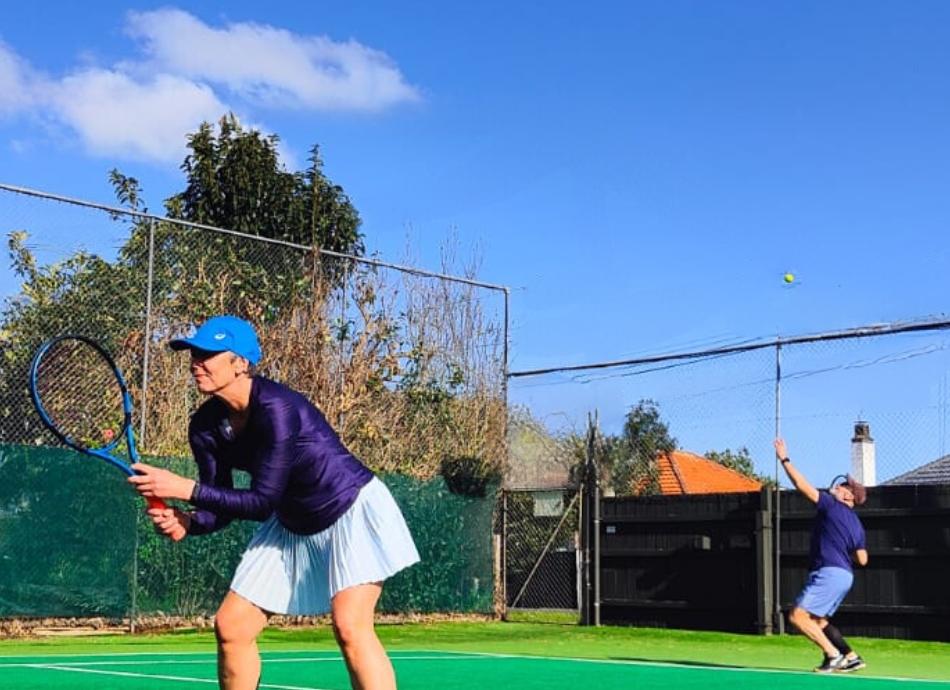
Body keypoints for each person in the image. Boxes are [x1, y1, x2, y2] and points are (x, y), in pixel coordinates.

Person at [128, 315, 420, 690]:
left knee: (350, 626)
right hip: (292, 521)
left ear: (241, 364)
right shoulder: (203, 426)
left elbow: (261, 502)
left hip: (349, 507)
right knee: (232, 627)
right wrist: (191, 522)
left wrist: (185, 489)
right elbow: (223, 503)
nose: (197, 363)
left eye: (209, 354)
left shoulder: (278, 409)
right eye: (195, 354)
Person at [774, 437, 868, 674]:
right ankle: (851, 656)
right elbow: (863, 559)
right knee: (818, 620)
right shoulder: (856, 524)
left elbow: (801, 484)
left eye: (844, 486)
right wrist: (840, 543)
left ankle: (833, 655)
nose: (838, 486)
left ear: (849, 497)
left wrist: (784, 458)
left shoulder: (831, 505)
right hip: (844, 575)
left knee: (797, 616)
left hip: (829, 571)